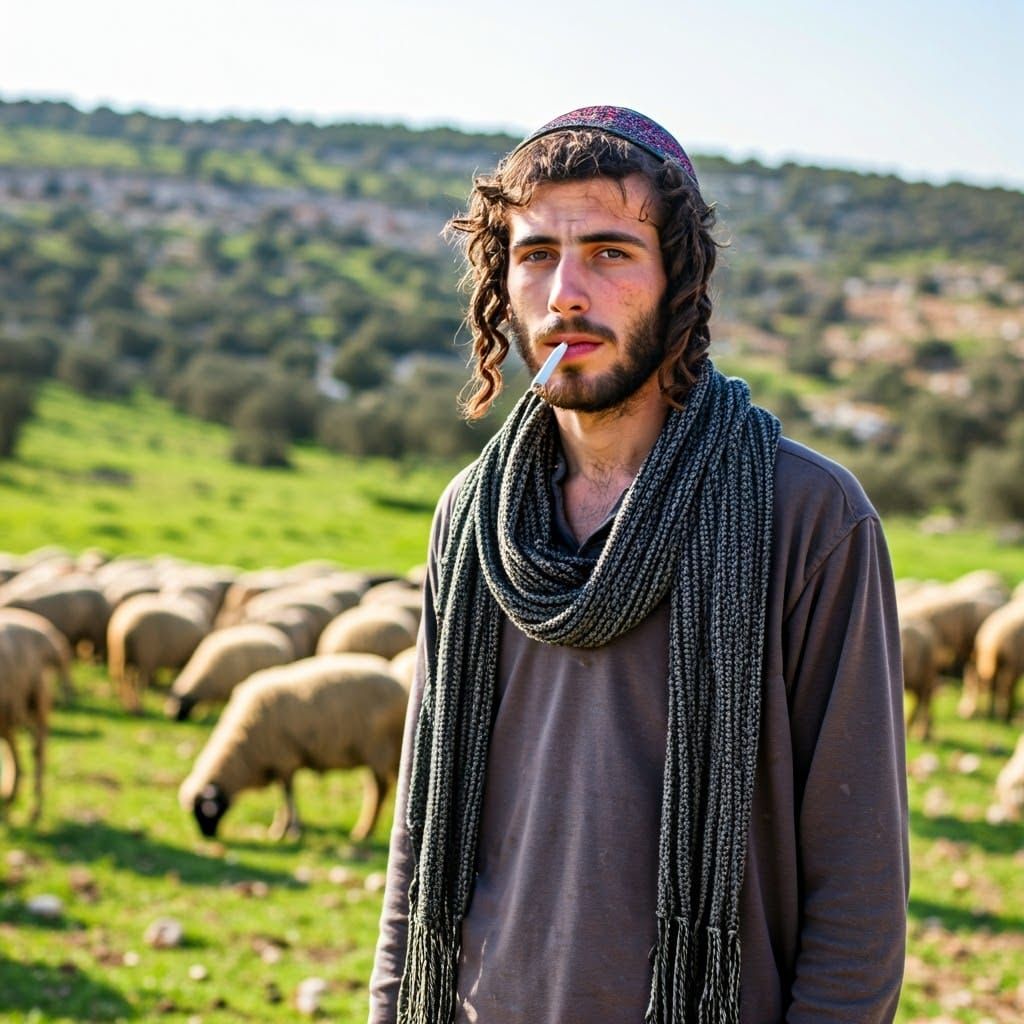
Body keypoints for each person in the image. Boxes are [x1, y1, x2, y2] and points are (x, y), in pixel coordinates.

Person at [369, 106, 909, 1024]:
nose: (565, 294)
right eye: (536, 254)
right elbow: (420, 835)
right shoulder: (471, 519)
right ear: (501, 281)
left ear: (680, 282)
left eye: (611, 253)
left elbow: (857, 886)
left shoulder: (807, 517)